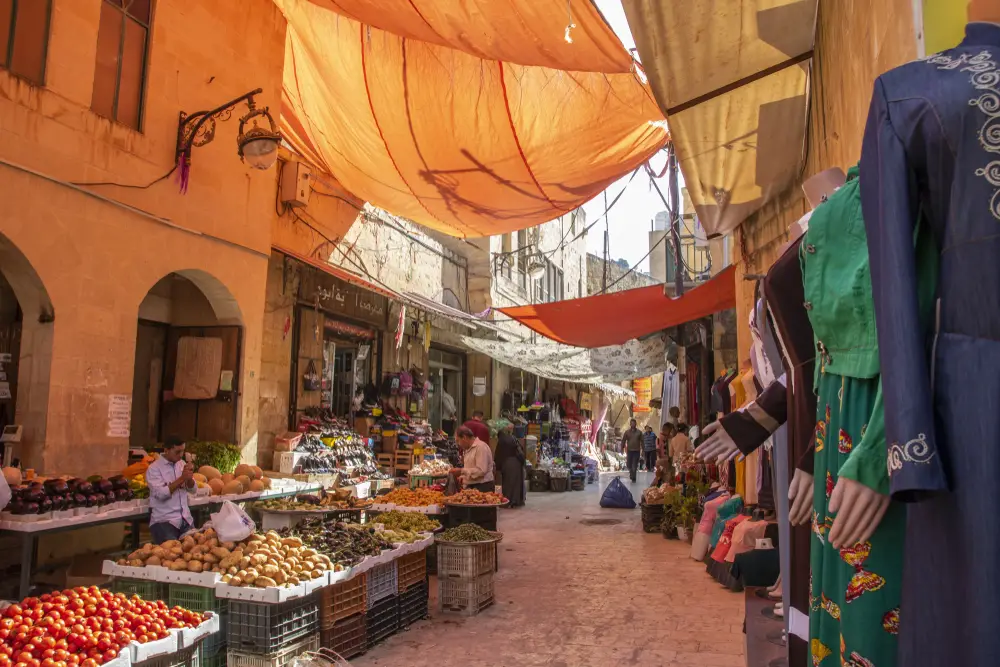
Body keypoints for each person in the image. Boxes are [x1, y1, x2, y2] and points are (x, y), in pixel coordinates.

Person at [145, 436, 195, 544]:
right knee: (171, 557)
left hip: (186, 519)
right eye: (177, 452)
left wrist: (189, 478)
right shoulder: (154, 469)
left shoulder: (181, 464)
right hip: (164, 522)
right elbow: (160, 494)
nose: (181, 455)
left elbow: (193, 490)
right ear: (166, 450)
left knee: (193, 554)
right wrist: (182, 479)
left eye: (183, 451)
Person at [450, 425, 495, 492]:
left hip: (483, 486)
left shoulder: (481, 447)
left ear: (464, 438)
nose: (458, 444)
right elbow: (470, 469)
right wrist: (463, 477)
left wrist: (461, 471)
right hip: (471, 486)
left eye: (458, 441)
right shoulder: (467, 449)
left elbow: (481, 471)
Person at [494, 423, 525, 507]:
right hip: (517, 462)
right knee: (516, 483)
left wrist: (497, 467)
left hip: (508, 463)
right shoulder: (513, 438)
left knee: (508, 483)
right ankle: (516, 501)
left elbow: (498, 455)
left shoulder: (502, 440)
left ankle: (508, 501)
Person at [620, 418, 643, 483]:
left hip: (636, 451)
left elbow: (642, 441)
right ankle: (631, 473)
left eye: (634, 423)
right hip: (629, 451)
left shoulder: (639, 432)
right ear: (630, 424)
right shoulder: (627, 432)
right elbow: (623, 440)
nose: (633, 424)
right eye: (631, 423)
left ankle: (634, 478)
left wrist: (643, 450)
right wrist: (622, 448)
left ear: (636, 424)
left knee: (634, 465)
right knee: (629, 465)